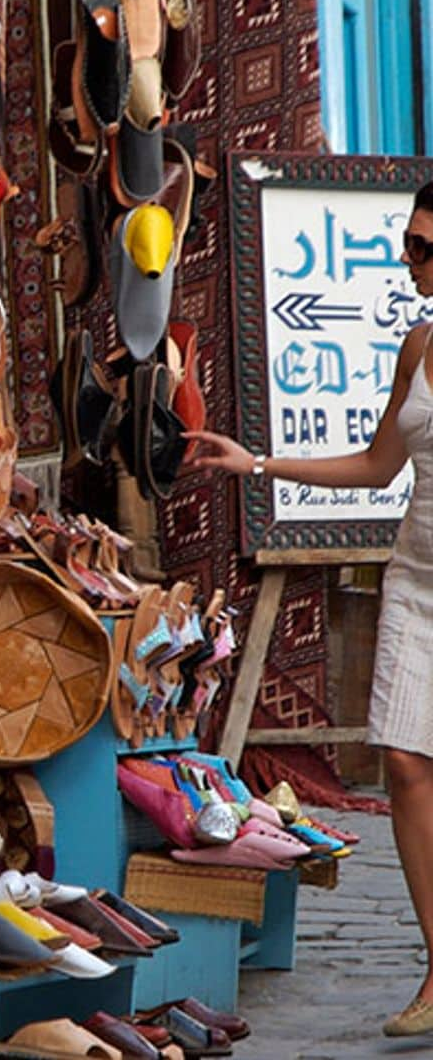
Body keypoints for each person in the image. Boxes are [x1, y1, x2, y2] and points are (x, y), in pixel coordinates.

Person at [186, 180, 433, 1039]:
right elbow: (378, 467)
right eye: (410, 244)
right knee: (404, 760)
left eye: (426, 248)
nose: (412, 261)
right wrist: (258, 465)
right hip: (419, 577)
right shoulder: (418, 345)